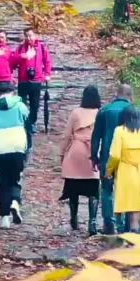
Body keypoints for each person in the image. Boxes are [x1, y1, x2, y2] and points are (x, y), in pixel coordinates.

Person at [0, 81, 30, 226]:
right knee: (16, 178)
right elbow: (28, 123)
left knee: (3, 183)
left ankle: (4, 218)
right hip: (17, 147)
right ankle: (15, 201)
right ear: (13, 92)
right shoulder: (20, 106)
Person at [106, 104, 140, 234]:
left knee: (128, 203)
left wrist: (109, 170)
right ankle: (135, 229)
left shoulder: (120, 131)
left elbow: (115, 155)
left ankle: (130, 232)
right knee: (137, 205)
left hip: (127, 172)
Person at [90, 84, 133, 235]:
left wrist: (94, 156)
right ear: (131, 97)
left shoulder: (104, 111)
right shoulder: (136, 113)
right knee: (127, 191)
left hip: (107, 157)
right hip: (129, 160)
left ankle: (109, 224)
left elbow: (96, 136)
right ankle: (127, 225)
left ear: (116, 94)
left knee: (107, 189)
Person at [60, 86, 103, 235]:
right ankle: (92, 221)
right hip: (93, 150)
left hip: (76, 150)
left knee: (73, 185)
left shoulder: (76, 112)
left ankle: (74, 218)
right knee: (93, 187)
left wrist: (61, 153)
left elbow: (66, 135)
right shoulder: (100, 113)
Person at [12, 27, 54, 136]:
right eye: (26, 36)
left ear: (35, 36)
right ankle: (24, 123)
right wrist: (23, 56)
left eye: (30, 35)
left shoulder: (41, 47)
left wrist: (47, 74)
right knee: (22, 104)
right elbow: (13, 60)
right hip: (23, 80)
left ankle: (31, 123)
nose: (29, 38)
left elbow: (47, 61)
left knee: (35, 105)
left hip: (36, 80)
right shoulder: (21, 48)